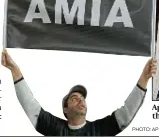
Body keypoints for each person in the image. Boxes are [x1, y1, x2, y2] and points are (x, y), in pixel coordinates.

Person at [1, 50, 157, 136]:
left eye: (82, 98)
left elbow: (126, 112)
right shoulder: (55, 128)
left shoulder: (99, 130)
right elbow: (30, 105)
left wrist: (144, 78)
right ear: (65, 110)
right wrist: (15, 70)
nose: (81, 101)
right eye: (75, 98)